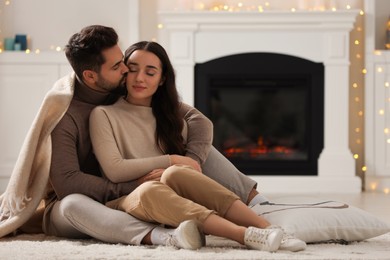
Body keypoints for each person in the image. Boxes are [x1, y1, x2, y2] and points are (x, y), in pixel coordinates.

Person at [89, 41, 306, 252]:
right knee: (153, 186)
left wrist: (175, 166)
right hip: (130, 198)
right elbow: (114, 170)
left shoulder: (170, 114)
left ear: (162, 79)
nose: (139, 78)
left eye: (150, 72)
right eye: (133, 70)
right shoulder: (103, 114)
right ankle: (245, 235)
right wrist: (172, 159)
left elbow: (202, 125)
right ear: (124, 72)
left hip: (173, 194)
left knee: (177, 173)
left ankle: (269, 228)